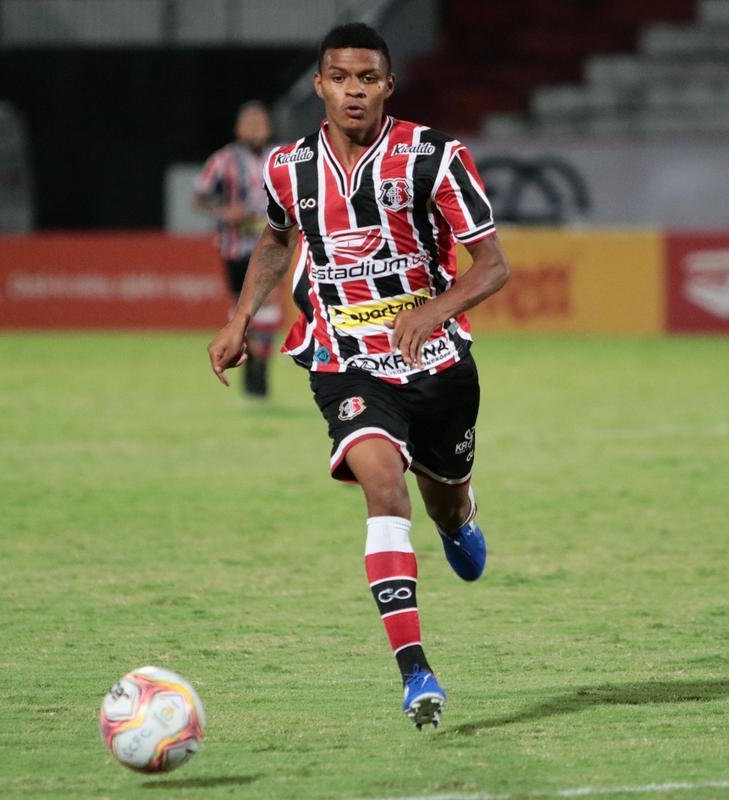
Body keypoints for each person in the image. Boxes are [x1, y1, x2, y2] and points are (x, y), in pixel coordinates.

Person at [207, 23, 509, 729]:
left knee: (442, 503)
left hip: (434, 364)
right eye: (339, 77)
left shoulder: (433, 157)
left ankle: (458, 517)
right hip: (342, 358)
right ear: (319, 86)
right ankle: (415, 673)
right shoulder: (287, 166)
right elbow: (278, 238)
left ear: (386, 87)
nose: (353, 90)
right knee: (381, 486)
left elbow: (492, 265)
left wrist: (434, 309)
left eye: (366, 78)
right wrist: (237, 317)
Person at [194, 101, 281, 398]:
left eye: (260, 123)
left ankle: (260, 360)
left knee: (268, 300)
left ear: (269, 127)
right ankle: (250, 350)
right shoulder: (223, 160)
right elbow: (200, 197)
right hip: (234, 247)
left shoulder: (281, 157)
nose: (255, 129)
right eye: (249, 123)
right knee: (241, 305)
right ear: (238, 128)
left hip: (272, 244)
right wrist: (223, 211)